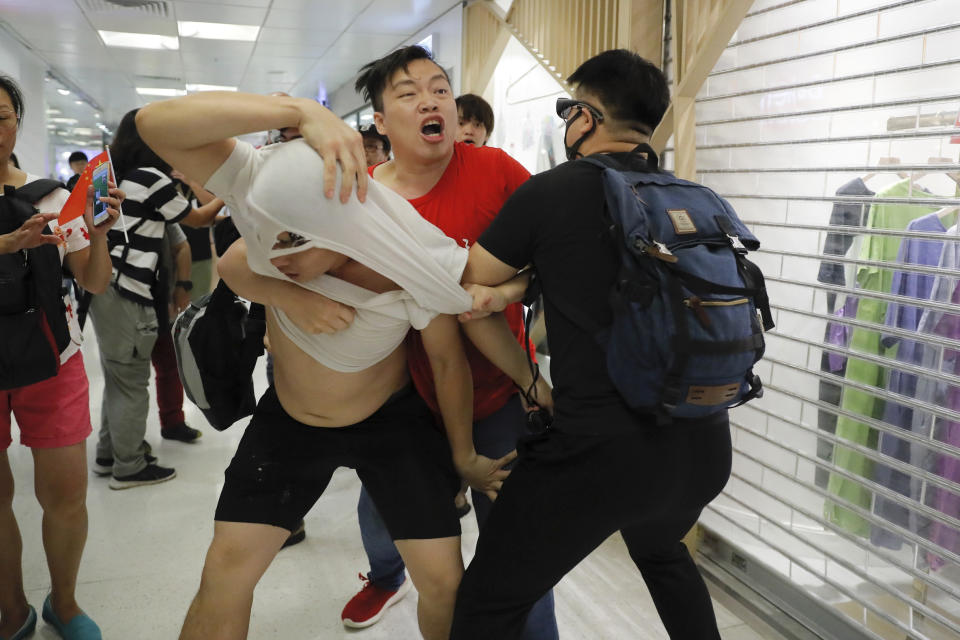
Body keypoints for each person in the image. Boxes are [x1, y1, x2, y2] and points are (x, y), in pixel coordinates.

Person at [135, 89, 544, 640]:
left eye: (295, 243)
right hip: (291, 422)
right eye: (271, 239)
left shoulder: (407, 259)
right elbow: (156, 124)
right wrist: (301, 111)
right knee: (225, 573)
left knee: (445, 581)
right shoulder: (271, 202)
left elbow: (450, 361)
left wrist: (466, 453)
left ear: (347, 230)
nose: (280, 257)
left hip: (390, 423)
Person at [448, 49, 733, 640]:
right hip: (704, 446)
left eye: (566, 110)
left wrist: (522, 294)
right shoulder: (690, 198)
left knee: (486, 602)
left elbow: (470, 281)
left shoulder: (551, 192)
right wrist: (534, 276)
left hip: (599, 455)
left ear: (585, 116)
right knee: (661, 553)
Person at [335, 45, 559, 639]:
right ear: (380, 122)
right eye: (408, 93)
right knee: (383, 519)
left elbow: (550, 260)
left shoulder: (495, 170)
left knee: (519, 547)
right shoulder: (363, 200)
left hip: (497, 395)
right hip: (399, 403)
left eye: (439, 88)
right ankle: (385, 577)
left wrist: (505, 293)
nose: (430, 100)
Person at [0, 74, 124, 640]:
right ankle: (12, 609)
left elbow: (91, 280)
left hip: (56, 353)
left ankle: (65, 604)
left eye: (2, 115)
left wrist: (97, 232)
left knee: (66, 493)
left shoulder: (51, 194)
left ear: (17, 123)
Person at [87, 108, 225, 489]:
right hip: (129, 287)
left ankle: (108, 452)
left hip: (104, 287)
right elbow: (197, 219)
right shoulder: (151, 177)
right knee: (131, 379)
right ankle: (128, 466)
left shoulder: (111, 175)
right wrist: (231, 192)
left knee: (118, 376)